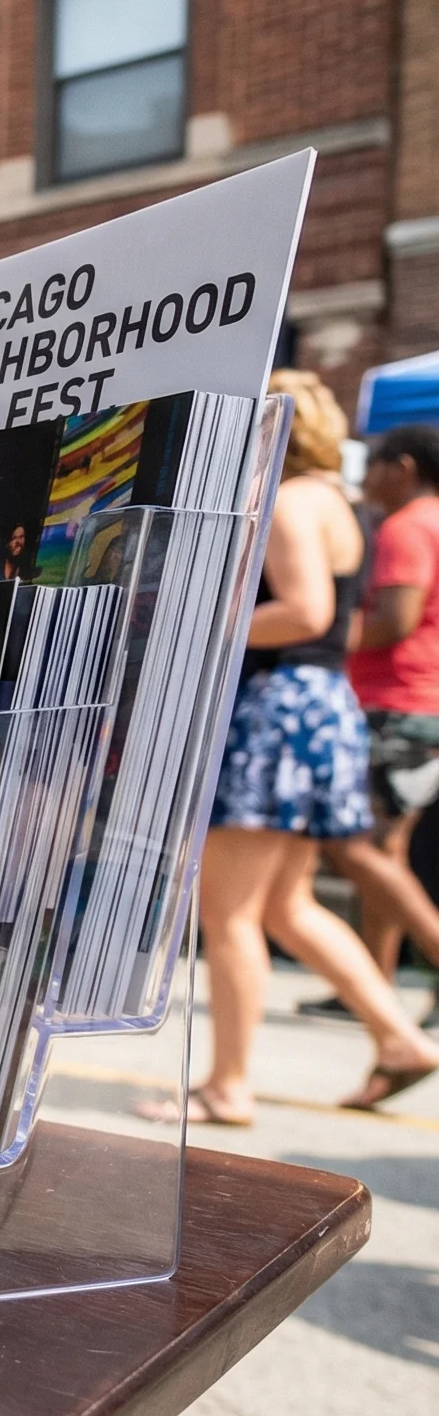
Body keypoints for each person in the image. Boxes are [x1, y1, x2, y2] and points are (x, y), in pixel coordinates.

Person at [150, 385, 439, 1125]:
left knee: (232, 912)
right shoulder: (338, 502)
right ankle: (400, 1038)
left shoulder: (287, 500)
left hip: (278, 708)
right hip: (317, 704)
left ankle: (227, 1085)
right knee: (284, 904)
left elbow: (307, 610)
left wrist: (199, 618)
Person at [322, 422, 439, 1020]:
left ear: (406, 467)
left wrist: (322, 639)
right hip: (423, 703)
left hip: (396, 703)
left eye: (373, 464)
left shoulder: (407, 526)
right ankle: (369, 986)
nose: (366, 478)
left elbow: (397, 618)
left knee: (355, 845)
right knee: (384, 849)